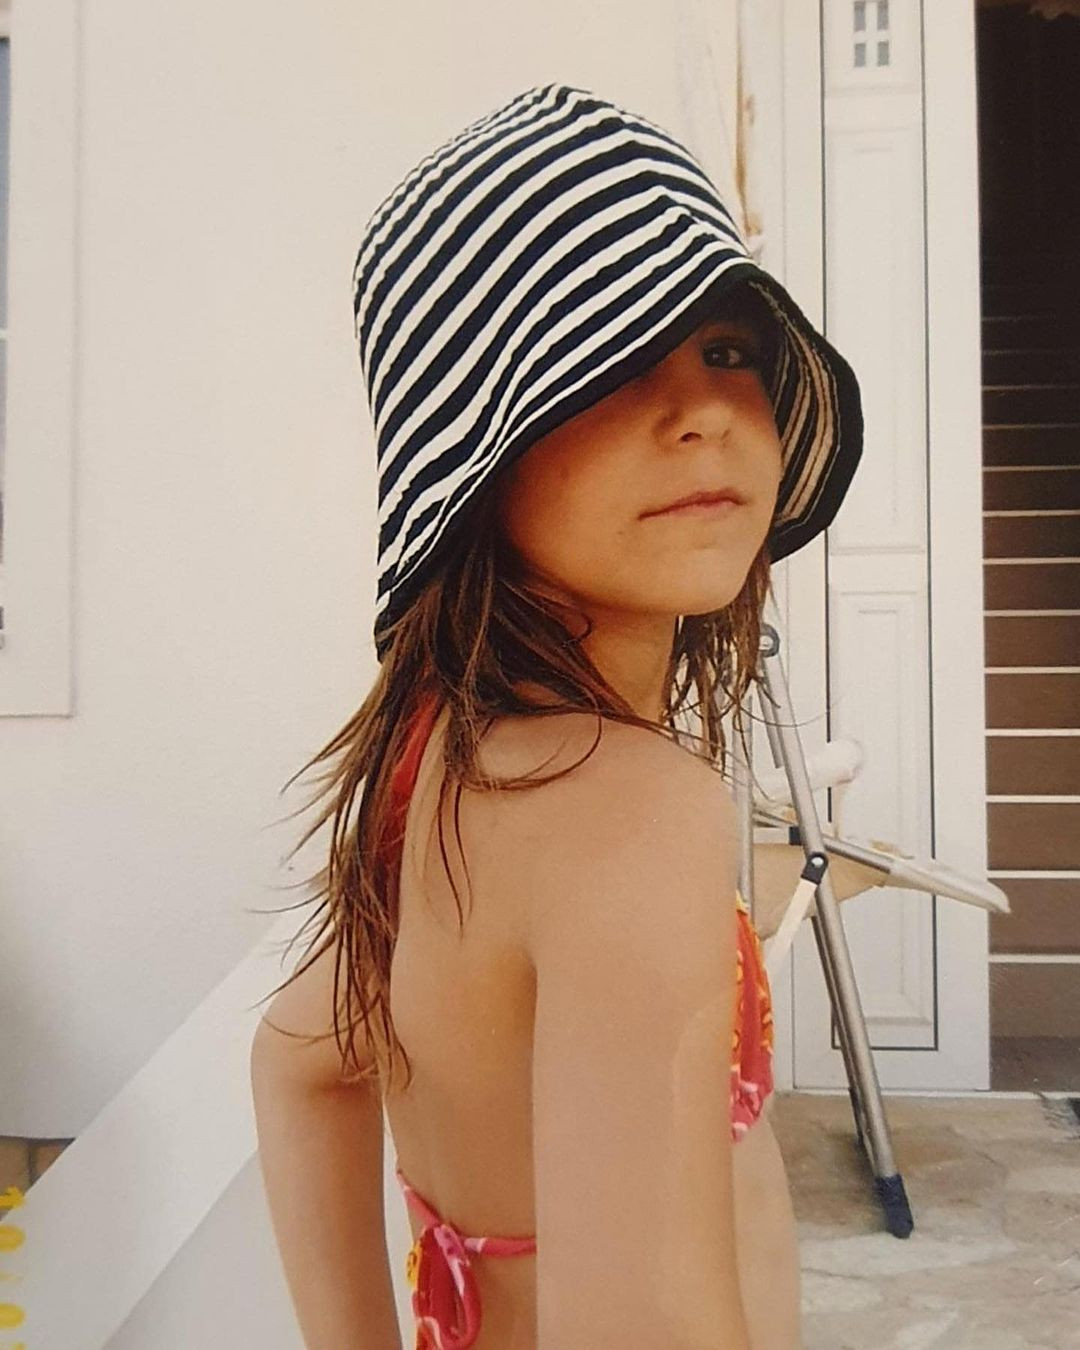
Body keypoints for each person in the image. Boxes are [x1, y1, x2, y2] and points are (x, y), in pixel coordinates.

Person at [250, 82, 863, 1350]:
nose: (703, 409)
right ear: (477, 458)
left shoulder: (442, 765)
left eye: (728, 349)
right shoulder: (626, 813)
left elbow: (302, 1058)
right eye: (610, 364)